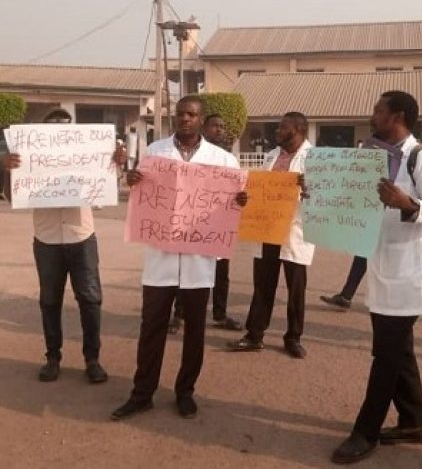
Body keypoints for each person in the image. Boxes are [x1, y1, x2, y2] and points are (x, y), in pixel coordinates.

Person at [331, 91, 422, 464]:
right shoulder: (375, 157)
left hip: (407, 273)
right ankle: (415, 422)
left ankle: (364, 432)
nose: (373, 115)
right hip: (382, 268)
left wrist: (409, 204)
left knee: (385, 354)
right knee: (400, 351)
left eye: (378, 110)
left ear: (396, 116)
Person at [111, 96, 247, 421]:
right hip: (160, 261)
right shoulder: (155, 152)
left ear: (201, 120)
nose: (185, 119)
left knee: (195, 331)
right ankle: (142, 394)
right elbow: (139, 190)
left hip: (199, 262)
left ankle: (185, 392)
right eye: (180, 114)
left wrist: (241, 200)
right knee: (152, 329)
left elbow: (233, 205)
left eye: (192, 114)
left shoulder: (223, 160)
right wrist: (131, 181)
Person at [2, 108, 109, 384]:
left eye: (63, 127)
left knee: (90, 299)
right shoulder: (28, 158)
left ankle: (92, 359)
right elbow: (13, 197)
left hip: (81, 237)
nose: (58, 131)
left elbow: (102, 192)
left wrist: (112, 166)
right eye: (52, 127)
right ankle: (52, 357)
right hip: (47, 240)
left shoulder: (86, 155)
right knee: (50, 301)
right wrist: (7, 171)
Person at [228, 112, 315, 359]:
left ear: (299, 129)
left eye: (283, 127)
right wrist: (246, 198)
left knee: (296, 288)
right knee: (263, 284)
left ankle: (293, 337)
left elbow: (324, 199)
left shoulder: (314, 159)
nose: (277, 131)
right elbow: (259, 191)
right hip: (267, 229)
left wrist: (309, 190)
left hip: (295, 230)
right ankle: (255, 335)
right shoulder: (271, 156)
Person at [167, 114, 242, 333]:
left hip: (217, 228)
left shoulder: (227, 158)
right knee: (185, 273)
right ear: (203, 127)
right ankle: (179, 315)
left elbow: (238, 191)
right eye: (214, 126)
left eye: (222, 126)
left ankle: (220, 314)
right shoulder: (186, 157)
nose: (219, 130)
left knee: (221, 274)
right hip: (190, 227)